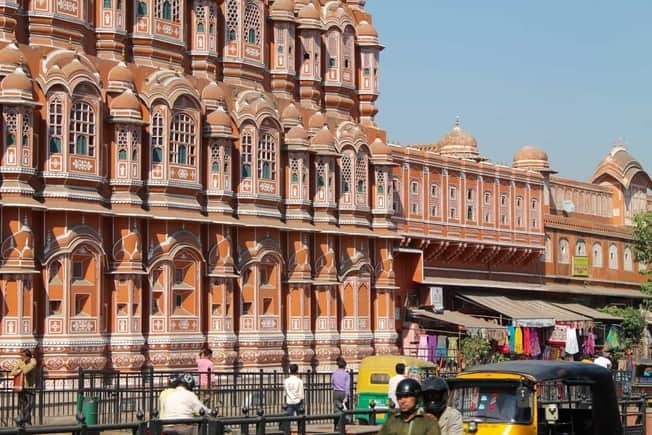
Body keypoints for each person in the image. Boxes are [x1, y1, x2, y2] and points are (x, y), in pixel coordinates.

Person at [10, 349, 37, 425]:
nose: (22, 357)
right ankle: (25, 422)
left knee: (29, 405)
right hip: (21, 387)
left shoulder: (33, 361)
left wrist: (19, 368)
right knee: (22, 405)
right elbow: (12, 372)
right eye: (21, 355)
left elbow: (26, 370)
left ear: (28, 356)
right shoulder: (20, 361)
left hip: (30, 387)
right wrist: (19, 371)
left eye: (23, 356)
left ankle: (25, 420)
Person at [282, 364, 304, 433]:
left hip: (289, 402)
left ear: (289, 370)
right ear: (297, 371)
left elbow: (285, 393)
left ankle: (288, 432)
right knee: (300, 420)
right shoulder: (299, 381)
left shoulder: (286, 381)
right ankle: (300, 432)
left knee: (288, 420)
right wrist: (302, 403)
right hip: (298, 402)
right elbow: (301, 394)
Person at [332, 357, 350, 427]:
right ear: (344, 366)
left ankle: (336, 425)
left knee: (336, 410)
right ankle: (342, 426)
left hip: (336, 392)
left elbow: (332, 383)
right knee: (344, 409)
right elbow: (347, 386)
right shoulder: (346, 374)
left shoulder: (334, 374)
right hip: (343, 393)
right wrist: (346, 396)